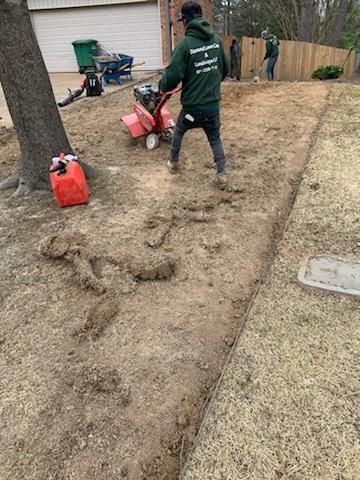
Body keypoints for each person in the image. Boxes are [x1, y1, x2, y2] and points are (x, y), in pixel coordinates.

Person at [159, 1, 229, 189]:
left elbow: (172, 75)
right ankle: (222, 173)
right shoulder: (216, 41)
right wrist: (210, 84)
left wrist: (162, 85)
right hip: (212, 106)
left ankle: (173, 163)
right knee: (214, 138)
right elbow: (225, 69)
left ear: (186, 21)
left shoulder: (185, 45)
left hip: (192, 109)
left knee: (179, 130)